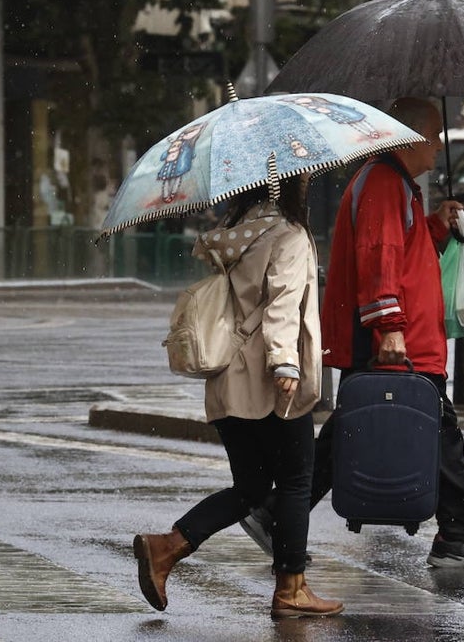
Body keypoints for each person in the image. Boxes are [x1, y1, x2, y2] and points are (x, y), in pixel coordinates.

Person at [240, 98, 464, 569]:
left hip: (404, 339)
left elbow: (403, 252)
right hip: (394, 342)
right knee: (437, 431)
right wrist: (389, 327)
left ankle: (274, 514)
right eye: (435, 135)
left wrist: (436, 226)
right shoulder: (385, 183)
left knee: (354, 430)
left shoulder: (395, 183)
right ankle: (456, 533)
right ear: (413, 137)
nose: (439, 146)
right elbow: (380, 256)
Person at [132, 173, 345, 620]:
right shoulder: (288, 234)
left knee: (250, 486)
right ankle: (291, 588)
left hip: (230, 377)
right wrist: (286, 362)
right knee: (294, 480)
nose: (307, 185)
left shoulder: (237, 229)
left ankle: (167, 546)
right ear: (286, 184)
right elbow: (284, 302)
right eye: (301, 179)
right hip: (270, 380)